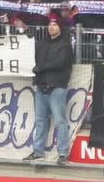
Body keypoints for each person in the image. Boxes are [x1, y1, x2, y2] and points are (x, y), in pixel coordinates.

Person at [24, 15, 75, 165]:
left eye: (54, 24)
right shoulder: (41, 43)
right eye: (50, 25)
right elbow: (31, 58)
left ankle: (63, 153)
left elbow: (61, 63)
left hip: (57, 87)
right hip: (41, 86)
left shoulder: (65, 46)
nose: (51, 27)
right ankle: (38, 151)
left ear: (60, 27)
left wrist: (41, 68)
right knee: (40, 121)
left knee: (60, 121)